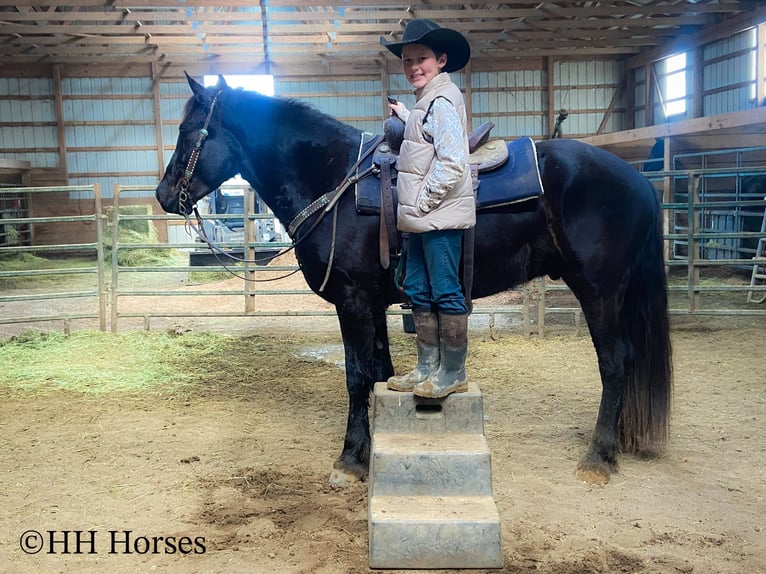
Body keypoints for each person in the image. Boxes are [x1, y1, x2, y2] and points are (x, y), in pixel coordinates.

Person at [380, 19, 475, 399]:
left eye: (422, 59)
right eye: (407, 60)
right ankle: (425, 366)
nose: (413, 66)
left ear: (441, 60)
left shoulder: (442, 102)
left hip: (435, 217)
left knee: (445, 291)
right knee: (418, 288)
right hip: (421, 221)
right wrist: (404, 114)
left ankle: (453, 371)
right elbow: (424, 132)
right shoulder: (425, 104)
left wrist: (421, 203)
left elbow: (453, 161)